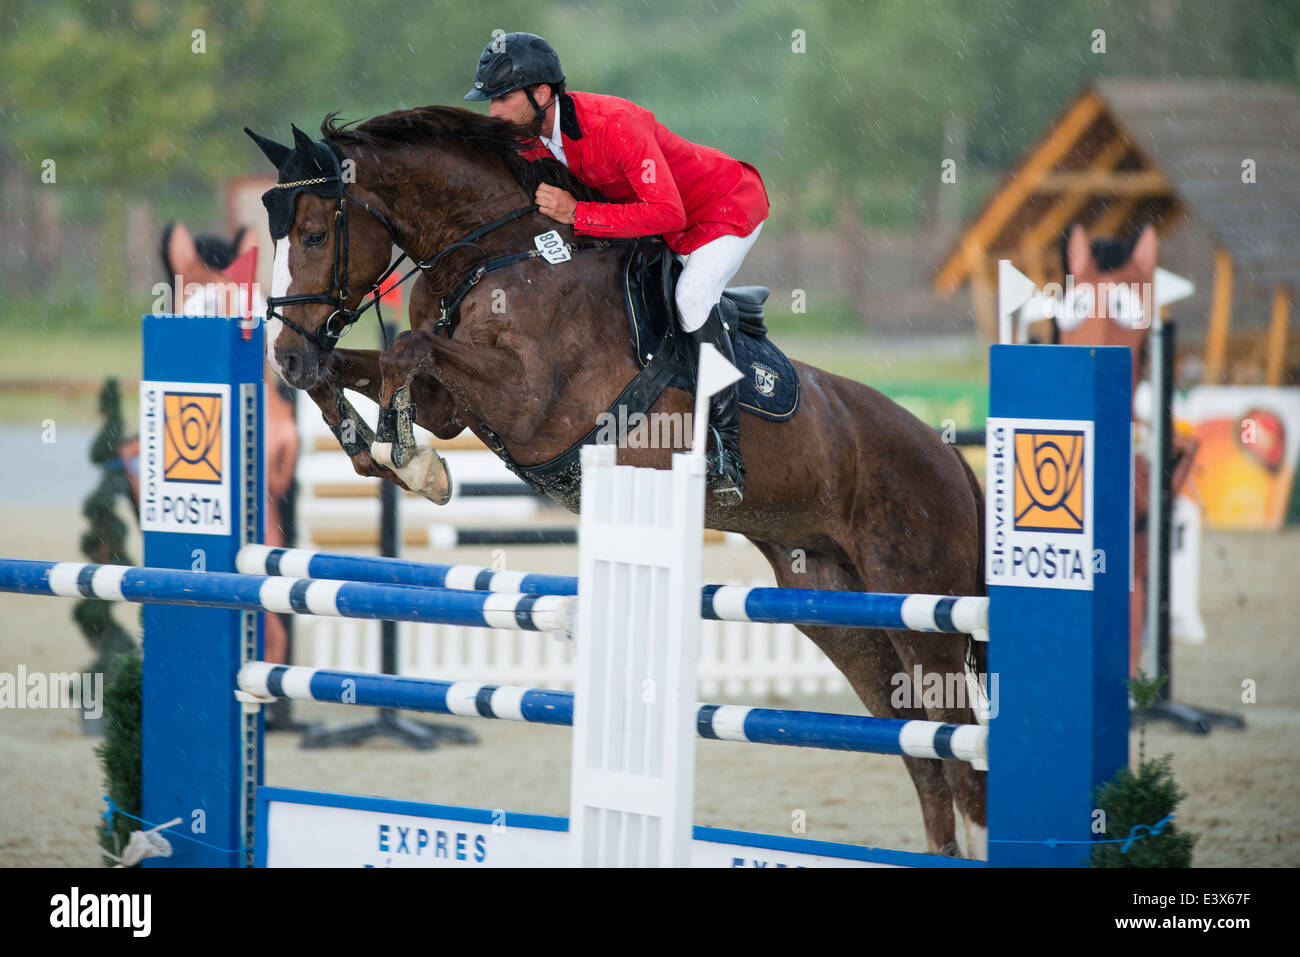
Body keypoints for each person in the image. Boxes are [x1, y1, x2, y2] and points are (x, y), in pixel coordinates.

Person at [466, 32, 769, 505]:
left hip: (722, 208)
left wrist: (576, 214)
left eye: (502, 98)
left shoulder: (615, 124)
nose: (494, 112)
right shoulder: (531, 142)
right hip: (661, 228)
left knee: (691, 299)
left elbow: (668, 213)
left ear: (541, 94)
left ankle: (726, 448)